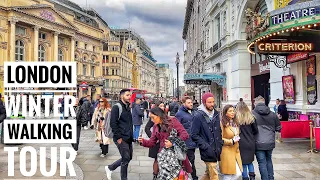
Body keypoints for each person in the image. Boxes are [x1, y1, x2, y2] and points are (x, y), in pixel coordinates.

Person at [138, 107, 192, 179]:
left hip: (175, 156)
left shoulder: (172, 120)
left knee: (175, 176)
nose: (152, 120)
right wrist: (143, 141)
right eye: (150, 118)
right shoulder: (155, 126)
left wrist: (172, 142)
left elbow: (185, 135)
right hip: (163, 157)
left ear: (159, 115)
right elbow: (152, 143)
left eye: (153, 117)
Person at [191, 92, 223, 180]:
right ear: (204, 102)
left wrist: (220, 143)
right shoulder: (198, 115)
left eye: (213, 102)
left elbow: (218, 131)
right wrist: (205, 146)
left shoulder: (216, 113)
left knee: (208, 174)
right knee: (214, 174)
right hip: (207, 149)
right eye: (209, 102)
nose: (212, 104)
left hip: (217, 148)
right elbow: (194, 135)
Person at [105, 89, 133, 180]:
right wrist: (118, 137)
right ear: (122, 96)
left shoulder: (127, 106)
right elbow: (113, 123)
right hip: (121, 137)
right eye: (127, 95)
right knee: (125, 159)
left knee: (129, 157)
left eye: (130, 95)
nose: (129, 97)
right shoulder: (117, 107)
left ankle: (110, 168)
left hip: (128, 137)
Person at [252, 96, 281, 180]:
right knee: (269, 160)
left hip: (258, 142)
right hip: (270, 142)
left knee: (261, 162)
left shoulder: (252, 114)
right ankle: (271, 178)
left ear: (255, 103)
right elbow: (279, 128)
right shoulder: (272, 114)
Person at [175, 96, 198, 180]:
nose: (191, 104)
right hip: (184, 142)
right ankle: (189, 177)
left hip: (193, 141)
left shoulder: (194, 112)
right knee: (186, 161)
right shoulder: (179, 114)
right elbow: (176, 128)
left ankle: (193, 177)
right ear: (184, 104)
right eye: (188, 103)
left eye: (191, 102)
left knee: (191, 161)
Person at [236, 101, 258, 180]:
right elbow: (256, 131)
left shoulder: (236, 119)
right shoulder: (251, 117)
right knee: (250, 161)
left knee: (243, 163)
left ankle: (245, 178)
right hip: (250, 142)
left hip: (241, 143)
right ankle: (252, 177)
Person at [220, 105, 242, 180]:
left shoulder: (235, 123)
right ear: (225, 113)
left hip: (235, 150)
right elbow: (220, 139)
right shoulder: (222, 123)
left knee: (238, 173)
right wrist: (231, 141)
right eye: (230, 111)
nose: (233, 112)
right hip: (226, 151)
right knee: (228, 174)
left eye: (233, 111)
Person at [145, 100, 164, 179]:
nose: (162, 108)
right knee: (157, 160)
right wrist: (153, 138)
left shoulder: (165, 117)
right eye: (160, 106)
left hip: (165, 142)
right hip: (157, 143)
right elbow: (147, 128)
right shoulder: (154, 117)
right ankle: (155, 175)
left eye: (163, 106)